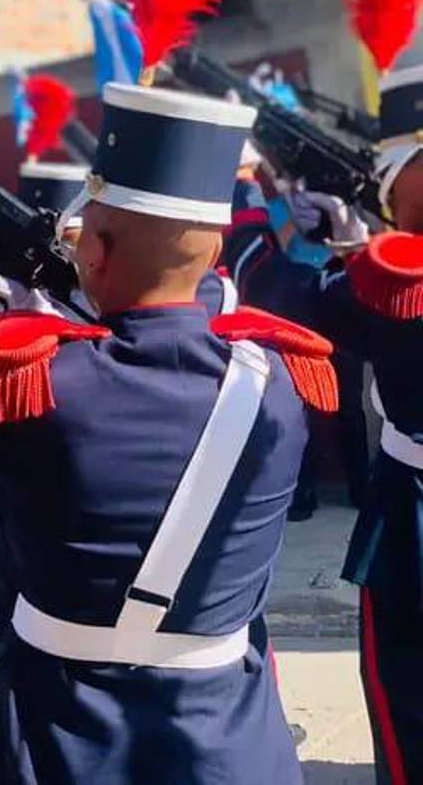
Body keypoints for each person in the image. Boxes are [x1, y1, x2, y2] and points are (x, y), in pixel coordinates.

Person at [0, 83, 330, 782]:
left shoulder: (39, 390)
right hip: (230, 741)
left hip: (58, 736)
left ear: (95, 248)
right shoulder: (280, 383)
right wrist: (58, 330)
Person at [223, 62, 423, 783]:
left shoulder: (395, 285)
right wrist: (361, 236)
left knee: (409, 699)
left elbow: (270, 286)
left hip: (416, 519)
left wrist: (247, 188)